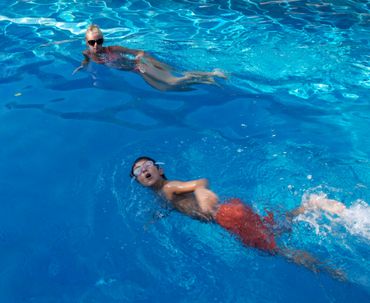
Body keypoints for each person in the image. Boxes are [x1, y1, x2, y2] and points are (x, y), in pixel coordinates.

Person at [130, 156, 348, 280]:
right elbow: (175, 204)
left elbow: (199, 182)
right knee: (271, 229)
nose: (143, 170)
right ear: (138, 181)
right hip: (230, 209)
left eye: (147, 165)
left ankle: (329, 269)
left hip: (225, 216)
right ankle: (308, 207)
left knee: (277, 249)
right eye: (138, 170)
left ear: (159, 169)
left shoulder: (169, 186)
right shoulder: (164, 193)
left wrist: (201, 191)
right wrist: (155, 217)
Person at [73, 24, 227, 91]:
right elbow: (86, 61)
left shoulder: (113, 49)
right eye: (92, 42)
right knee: (164, 88)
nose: (96, 45)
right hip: (136, 71)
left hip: (140, 66)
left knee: (173, 80)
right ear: (86, 42)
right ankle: (205, 80)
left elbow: (139, 52)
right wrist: (82, 66)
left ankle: (213, 73)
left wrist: (142, 62)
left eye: (99, 41)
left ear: (103, 40)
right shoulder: (86, 53)